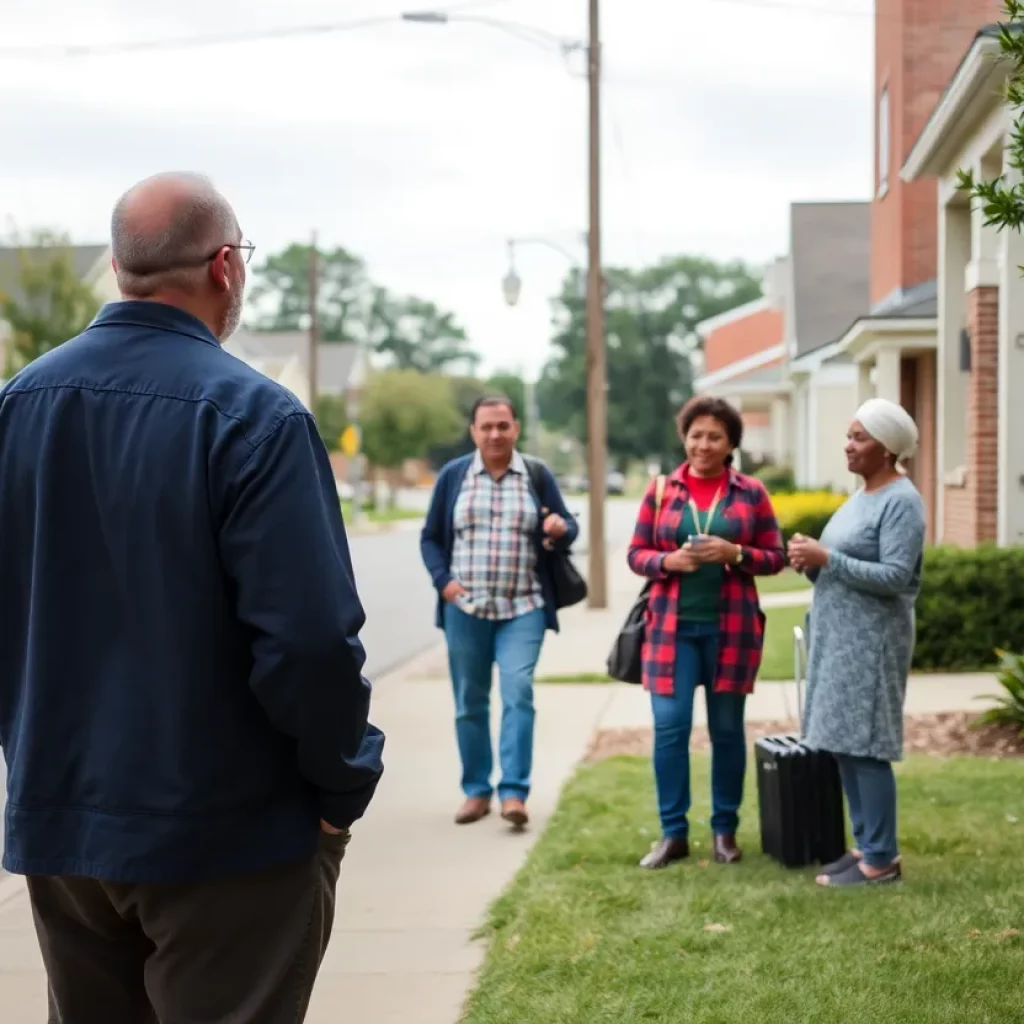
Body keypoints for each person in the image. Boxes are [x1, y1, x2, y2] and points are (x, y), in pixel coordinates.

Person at [0, 173, 385, 1023]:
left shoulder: (18, 406)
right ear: (225, 267)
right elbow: (311, 643)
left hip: (64, 832)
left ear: (117, 265)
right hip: (227, 835)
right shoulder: (254, 417)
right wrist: (340, 788)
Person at [628, 396, 785, 870]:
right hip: (671, 632)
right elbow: (636, 553)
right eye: (696, 435)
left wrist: (735, 552)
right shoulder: (661, 491)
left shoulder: (751, 493)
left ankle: (724, 832)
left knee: (726, 732)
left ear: (731, 442)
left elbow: (775, 557)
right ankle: (673, 834)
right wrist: (666, 561)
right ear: (684, 437)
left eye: (715, 436)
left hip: (731, 629)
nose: (704, 444)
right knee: (670, 729)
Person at [420, 395, 578, 828]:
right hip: (465, 608)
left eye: (503, 426)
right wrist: (444, 582)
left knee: (517, 691)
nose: (495, 434)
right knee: (470, 702)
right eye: (486, 426)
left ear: (516, 428)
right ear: (473, 431)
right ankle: (476, 791)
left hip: (523, 607)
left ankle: (514, 793)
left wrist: (560, 529)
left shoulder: (536, 475)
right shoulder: (454, 477)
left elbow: (567, 527)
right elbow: (430, 537)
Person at [789, 397, 925, 888]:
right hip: (840, 638)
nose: (848, 446)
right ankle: (866, 844)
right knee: (846, 743)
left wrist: (826, 558)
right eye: (849, 435)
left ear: (887, 449)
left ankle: (882, 860)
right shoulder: (862, 496)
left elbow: (894, 575)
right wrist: (812, 566)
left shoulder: (902, 501)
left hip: (872, 643)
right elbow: (842, 571)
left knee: (867, 746)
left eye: (859, 437)